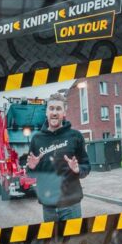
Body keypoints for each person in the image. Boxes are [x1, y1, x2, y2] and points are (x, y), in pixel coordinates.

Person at [25, 92, 90, 221]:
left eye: (58, 109)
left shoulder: (75, 136)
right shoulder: (37, 139)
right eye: (51, 108)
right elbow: (31, 174)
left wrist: (78, 169)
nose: (54, 112)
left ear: (64, 113)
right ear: (46, 112)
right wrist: (32, 167)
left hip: (71, 205)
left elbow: (86, 166)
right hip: (48, 207)